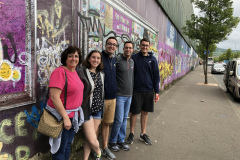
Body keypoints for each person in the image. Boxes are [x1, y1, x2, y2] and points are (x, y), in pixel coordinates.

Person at [46, 46, 84, 160]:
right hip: (62, 117)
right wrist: (65, 117)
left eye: (76, 56)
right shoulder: (60, 72)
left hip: (73, 116)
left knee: (67, 146)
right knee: (59, 149)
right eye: (70, 56)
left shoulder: (74, 71)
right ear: (65, 58)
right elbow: (54, 96)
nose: (74, 58)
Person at [126, 38, 160, 145]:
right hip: (136, 90)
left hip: (149, 90)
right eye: (143, 45)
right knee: (134, 112)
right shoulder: (134, 58)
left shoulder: (153, 59)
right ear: (139, 46)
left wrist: (157, 91)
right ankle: (131, 133)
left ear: (149, 47)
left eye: (146, 45)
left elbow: (156, 76)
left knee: (145, 112)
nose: (144, 47)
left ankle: (142, 134)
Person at [77, 50, 104, 160]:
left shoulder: (101, 74)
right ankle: (99, 152)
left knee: (90, 138)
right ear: (89, 58)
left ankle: (85, 158)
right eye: (93, 57)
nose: (95, 60)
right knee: (92, 138)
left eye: (98, 58)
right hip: (86, 109)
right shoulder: (83, 72)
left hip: (98, 109)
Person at [109, 41, 134, 152]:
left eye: (130, 48)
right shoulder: (117, 60)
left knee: (124, 119)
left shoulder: (133, 61)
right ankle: (112, 141)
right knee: (118, 119)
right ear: (123, 49)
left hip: (129, 95)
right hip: (119, 95)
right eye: (126, 48)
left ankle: (121, 140)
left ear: (132, 50)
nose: (128, 49)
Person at [101, 37, 118, 160]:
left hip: (112, 98)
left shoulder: (114, 60)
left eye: (114, 45)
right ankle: (94, 148)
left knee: (107, 123)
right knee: (96, 125)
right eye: (109, 44)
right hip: (100, 99)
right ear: (105, 45)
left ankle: (105, 147)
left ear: (116, 47)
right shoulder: (98, 58)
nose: (111, 46)